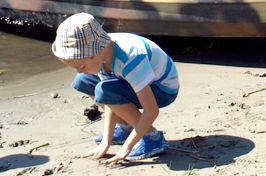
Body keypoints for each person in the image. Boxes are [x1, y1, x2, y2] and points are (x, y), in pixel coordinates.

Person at [51, 12, 178, 163]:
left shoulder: (130, 58)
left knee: (104, 90)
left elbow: (151, 110)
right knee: (83, 80)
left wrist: (127, 148)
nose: (79, 70)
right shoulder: (102, 53)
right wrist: (106, 140)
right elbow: (110, 101)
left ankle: (152, 137)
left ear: (94, 53)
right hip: (131, 81)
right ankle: (126, 126)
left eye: (82, 66)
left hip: (162, 89)